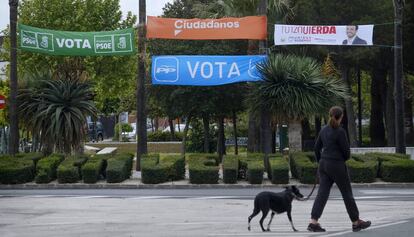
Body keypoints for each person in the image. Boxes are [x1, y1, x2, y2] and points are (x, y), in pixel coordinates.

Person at [307, 106, 371, 232]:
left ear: (330, 115)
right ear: (341, 117)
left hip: (323, 165)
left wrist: (320, 160)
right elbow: (347, 153)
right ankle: (355, 222)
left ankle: (313, 222)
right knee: (347, 194)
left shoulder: (323, 130)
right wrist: (340, 159)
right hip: (337, 165)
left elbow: (316, 148)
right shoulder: (340, 131)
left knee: (322, 194)